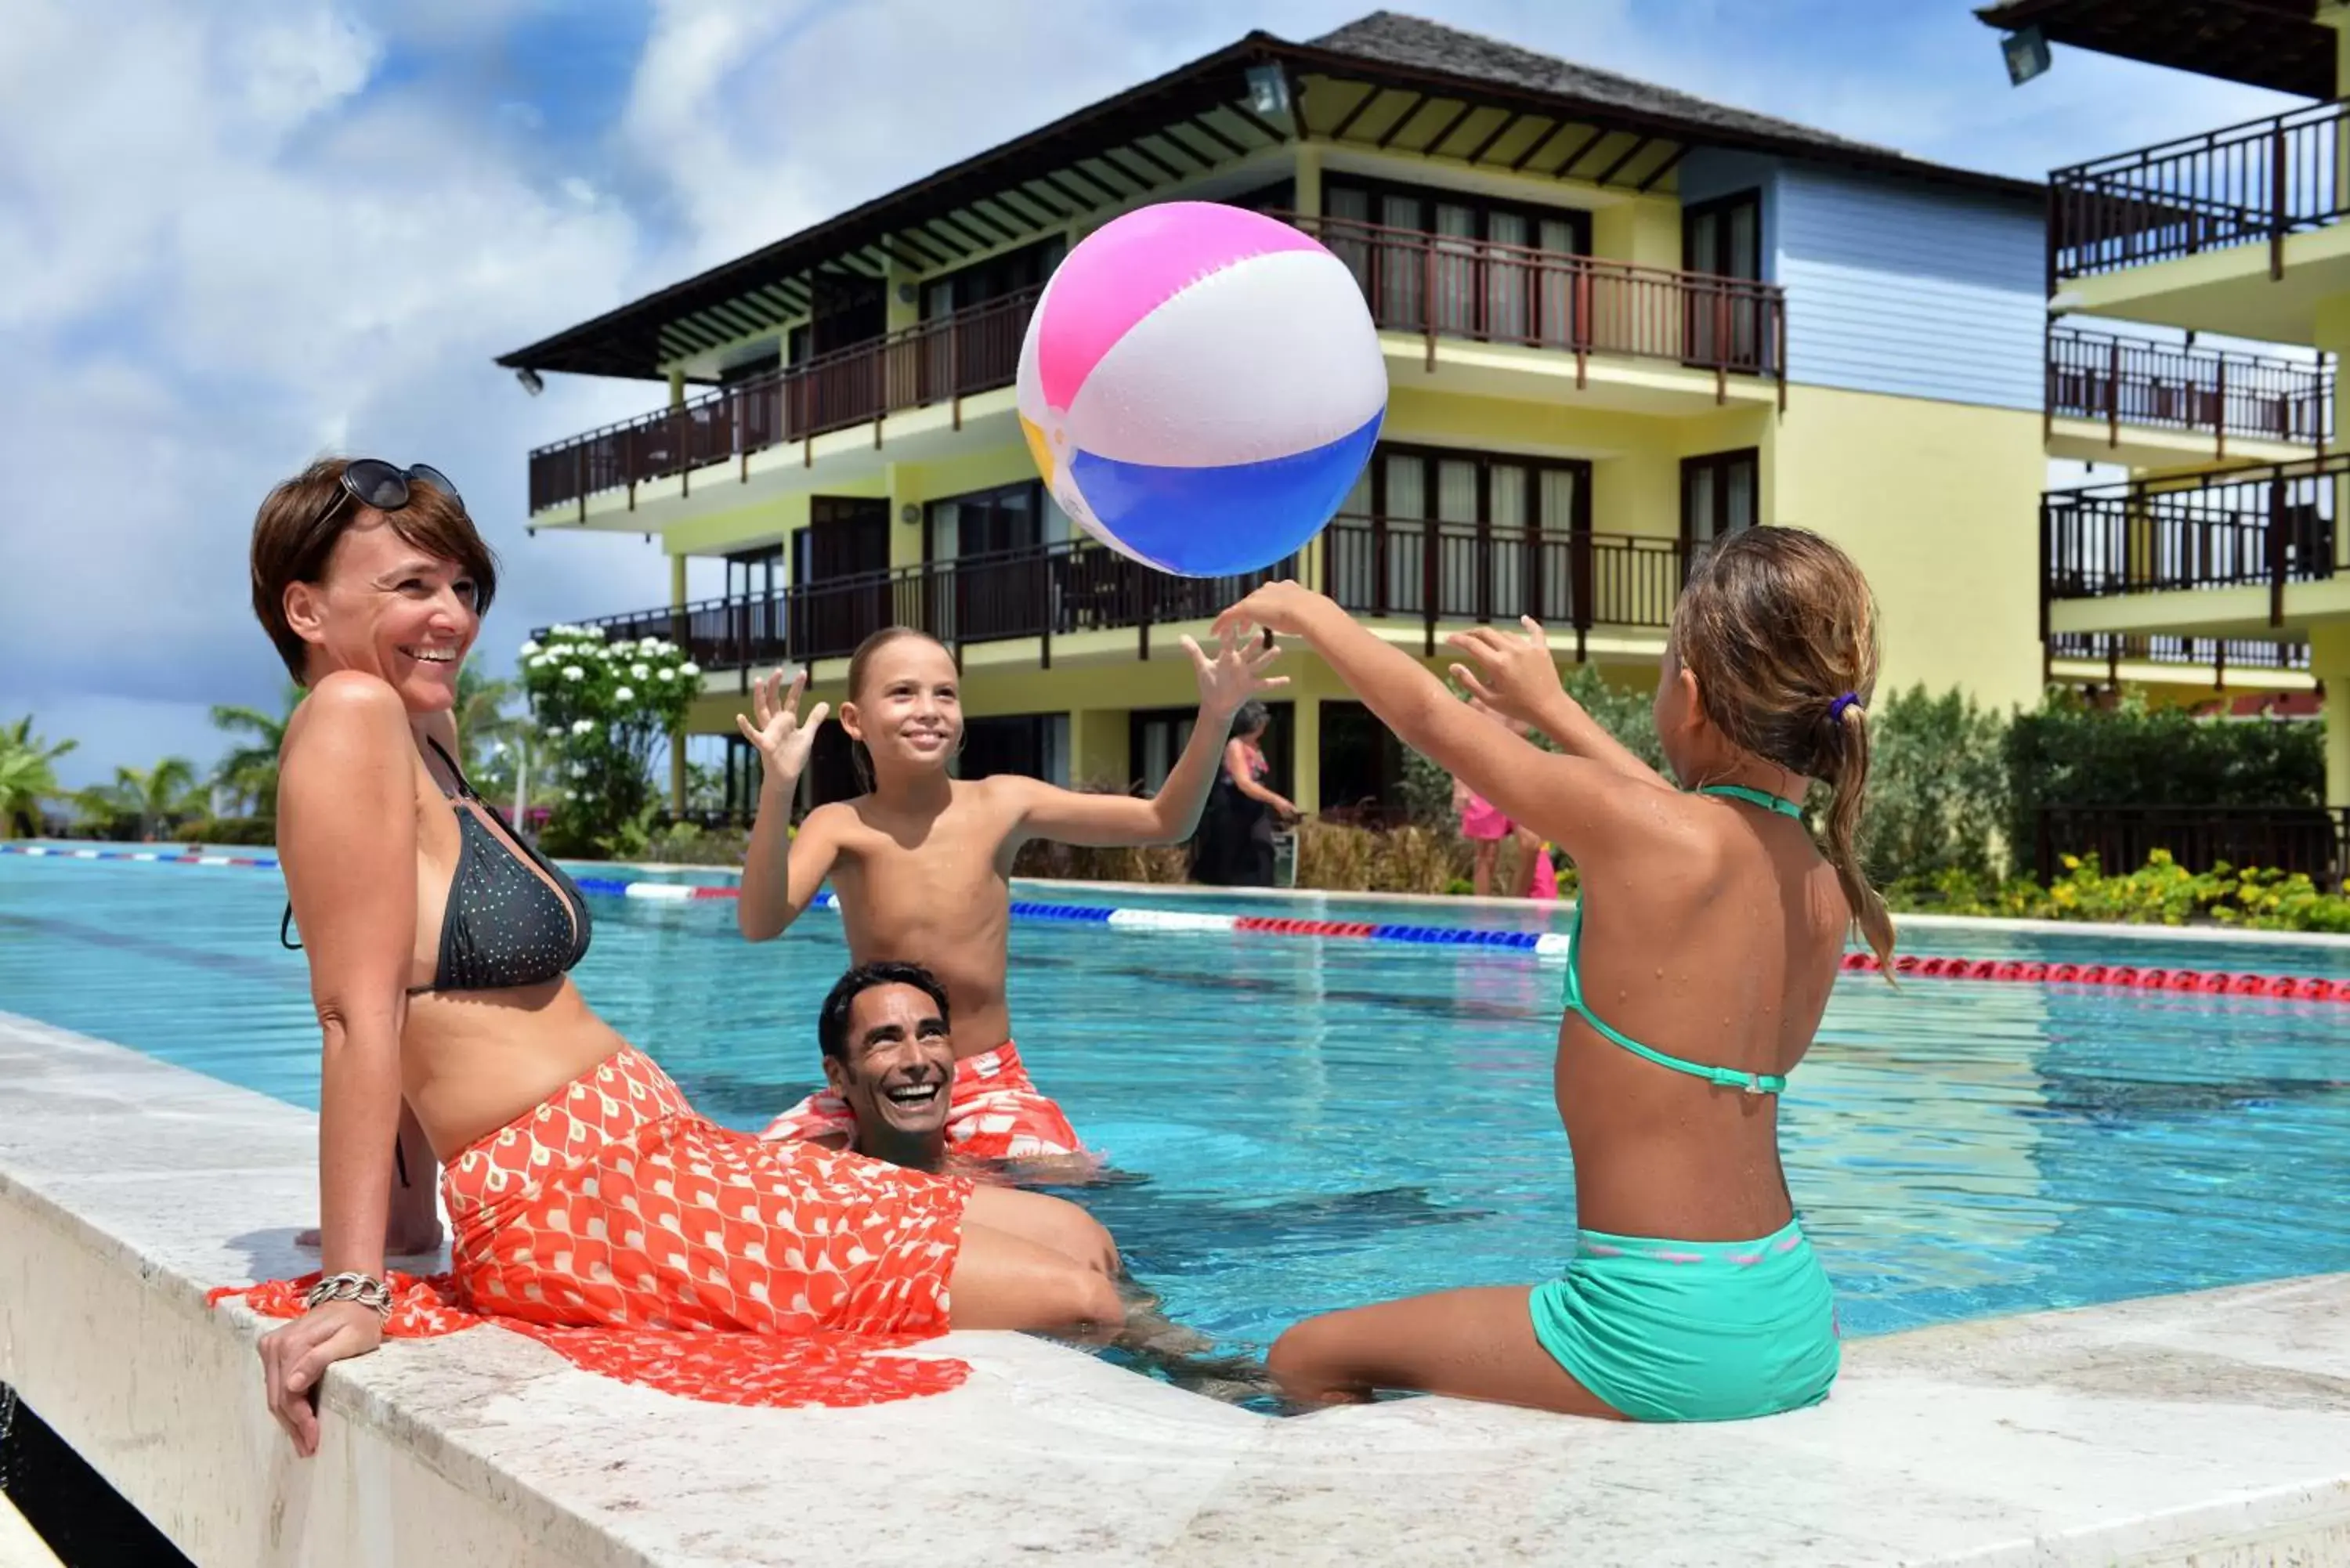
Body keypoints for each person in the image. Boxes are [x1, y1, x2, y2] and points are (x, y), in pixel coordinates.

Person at [230, 458, 1127, 1458]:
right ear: (306, 607)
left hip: (656, 1152)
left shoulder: (420, 729)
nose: (453, 616)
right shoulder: (350, 714)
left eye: (464, 587)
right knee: (1073, 1296)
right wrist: (359, 1285)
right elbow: (359, 1013)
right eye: (412, 586)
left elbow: (401, 974)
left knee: (1078, 1236)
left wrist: (404, 1222)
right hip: (570, 1200)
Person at [1215, 529, 1889, 1422]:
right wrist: (1557, 710)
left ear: (1686, 697)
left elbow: (1432, 719)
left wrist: (1314, 612)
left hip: (1660, 1331)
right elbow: (1676, 813)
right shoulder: (1822, 887)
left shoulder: (1659, 839)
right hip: (1794, 1316)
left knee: (1302, 1356)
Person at [739, 624, 1284, 1157]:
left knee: (1054, 1183)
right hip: (875, 1087)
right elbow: (760, 923)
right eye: (903, 692)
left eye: (945, 693)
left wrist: (1216, 717)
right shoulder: (839, 825)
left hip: (985, 1080)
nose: (928, 709)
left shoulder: (1001, 804)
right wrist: (778, 787)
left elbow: (1165, 820)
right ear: (854, 720)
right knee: (765, 1174)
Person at [1190, 699, 1297, 887]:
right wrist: (1276, 800)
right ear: (1255, 723)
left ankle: (1261, 901)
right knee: (1234, 860)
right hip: (1233, 809)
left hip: (1253, 809)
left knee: (1264, 851)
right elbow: (1244, 783)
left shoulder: (1255, 747)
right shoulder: (1235, 746)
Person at [1453, 698, 1550, 899]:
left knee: (1530, 843)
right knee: (1487, 853)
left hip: (1518, 781)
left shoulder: (1522, 701)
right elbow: (1459, 745)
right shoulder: (1479, 704)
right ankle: (1483, 919)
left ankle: (1517, 904)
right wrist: (1460, 786)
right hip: (1485, 781)